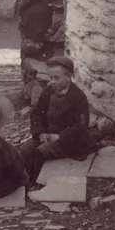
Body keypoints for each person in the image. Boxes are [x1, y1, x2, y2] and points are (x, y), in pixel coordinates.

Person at [19, 55, 97, 185]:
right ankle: (25, 178)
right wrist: (41, 132)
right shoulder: (49, 91)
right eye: (51, 78)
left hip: (70, 141)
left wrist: (60, 136)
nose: (52, 82)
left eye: (57, 78)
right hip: (48, 134)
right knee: (25, 149)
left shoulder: (78, 97)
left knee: (41, 151)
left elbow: (82, 125)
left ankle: (35, 183)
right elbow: (36, 113)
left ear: (68, 77)